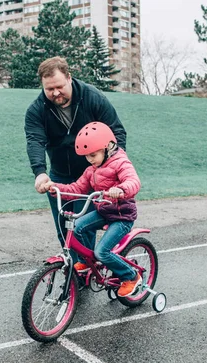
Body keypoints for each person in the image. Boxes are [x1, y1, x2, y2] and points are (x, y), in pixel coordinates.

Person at [24, 56, 128, 248]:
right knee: (64, 233)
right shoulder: (36, 110)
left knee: (82, 231)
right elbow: (35, 141)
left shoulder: (93, 98)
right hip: (59, 176)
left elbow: (117, 132)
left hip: (90, 175)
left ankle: (87, 276)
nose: (56, 93)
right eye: (49, 89)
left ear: (69, 78)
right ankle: (73, 275)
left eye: (60, 86)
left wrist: (110, 167)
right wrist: (40, 173)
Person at [42, 121, 142, 297]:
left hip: (121, 215)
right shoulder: (91, 170)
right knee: (77, 227)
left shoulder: (120, 163)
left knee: (102, 251)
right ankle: (86, 263)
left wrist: (122, 189)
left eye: (93, 155)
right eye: (86, 156)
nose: (90, 160)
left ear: (108, 147)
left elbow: (133, 181)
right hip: (104, 211)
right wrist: (55, 187)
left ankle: (131, 276)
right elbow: (77, 189)